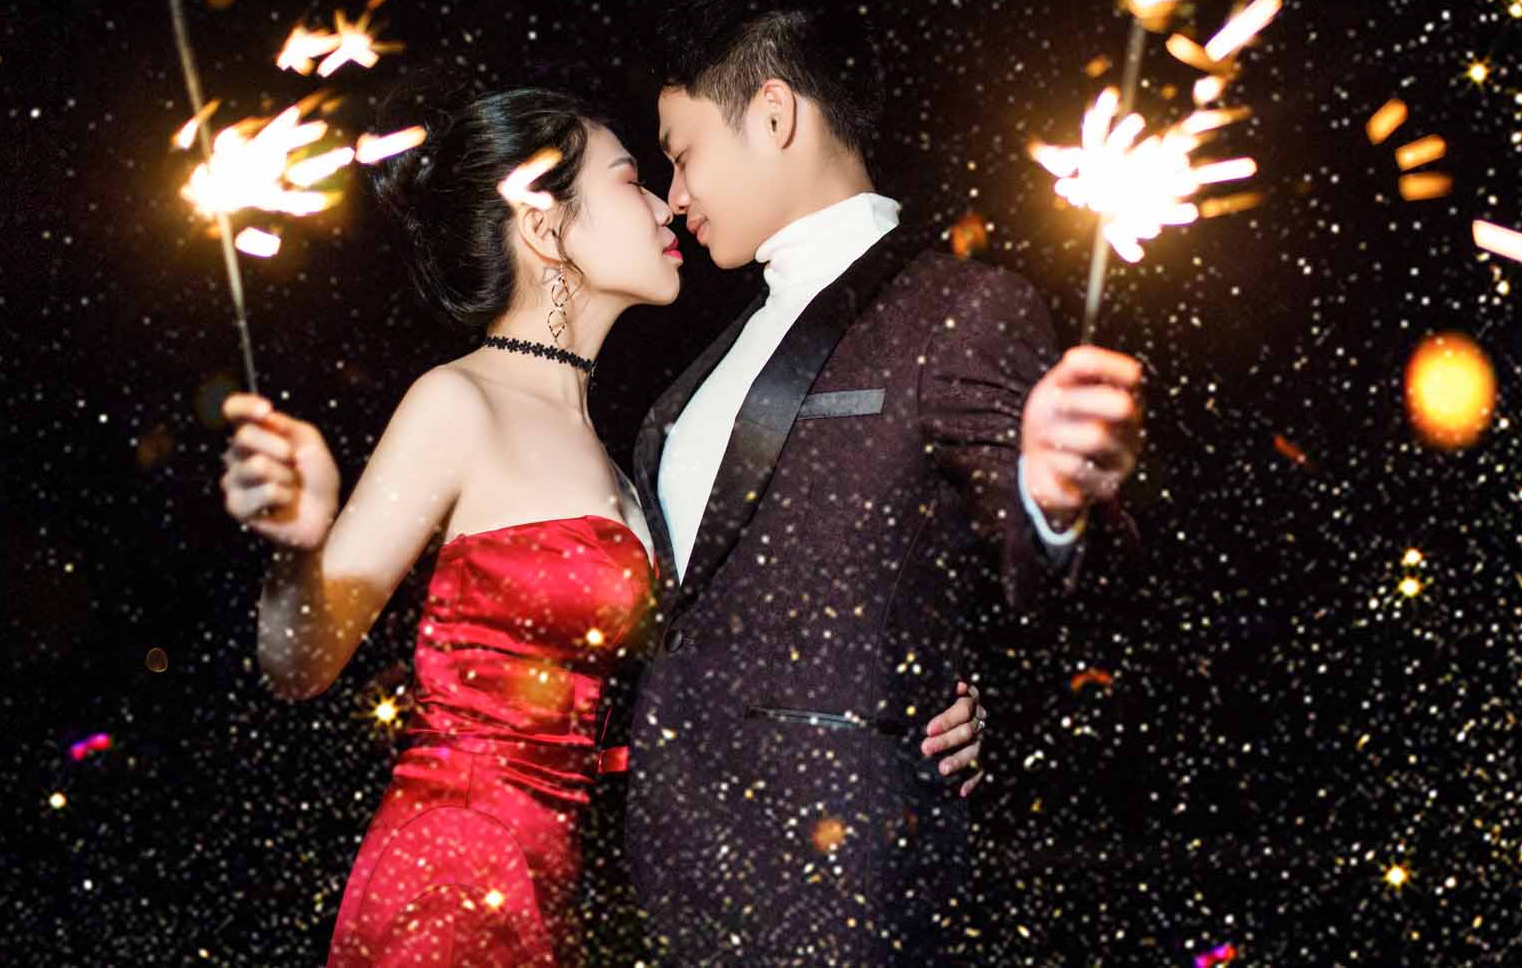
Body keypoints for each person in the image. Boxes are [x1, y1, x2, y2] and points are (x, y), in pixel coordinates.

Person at [215, 83, 990, 965]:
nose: (666, 203)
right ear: (544, 224)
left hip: (566, 894)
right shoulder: (458, 402)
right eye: (631, 179)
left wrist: (915, 700)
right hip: (452, 883)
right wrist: (297, 550)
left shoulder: (633, 451)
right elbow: (302, 663)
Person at [621, 0, 1147, 962]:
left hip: (840, 873)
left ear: (773, 114)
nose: (675, 193)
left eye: (683, 155)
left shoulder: (957, 308)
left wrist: (1049, 502)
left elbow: (1067, 589)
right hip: (670, 878)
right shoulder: (700, 366)